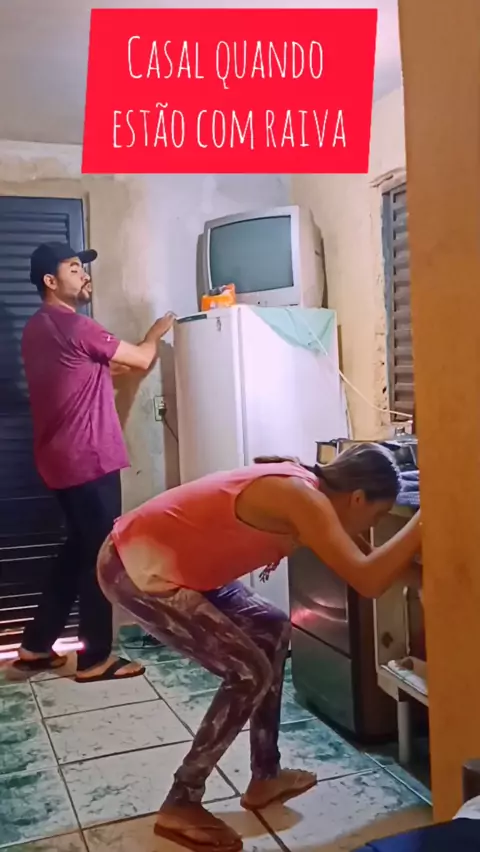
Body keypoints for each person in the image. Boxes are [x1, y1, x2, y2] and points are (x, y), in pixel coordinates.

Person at [96, 443, 422, 851]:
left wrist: (428, 581)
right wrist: (426, 519)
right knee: (248, 673)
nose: (371, 524)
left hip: (173, 565)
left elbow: (369, 561)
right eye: (375, 515)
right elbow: (368, 580)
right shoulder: (303, 498)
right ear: (357, 498)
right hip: (134, 567)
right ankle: (182, 799)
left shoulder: (314, 494)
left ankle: (265, 775)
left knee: (272, 628)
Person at [14, 241, 175, 683]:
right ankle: (94, 659)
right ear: (51, 281)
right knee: (102, 557)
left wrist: (117, 365)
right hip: (89, 459)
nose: (84, 274)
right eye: (73, 268)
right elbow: (140, 359)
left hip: (59, 462)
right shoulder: (76, 325)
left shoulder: (37, 328)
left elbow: (86, 370)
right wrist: (155, 333)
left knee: (77, 551)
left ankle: (34, 646)